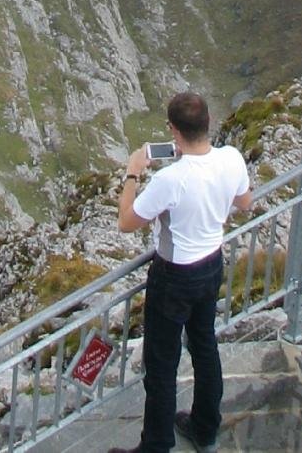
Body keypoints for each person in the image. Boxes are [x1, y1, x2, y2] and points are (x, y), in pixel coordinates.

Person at [110, 91, 252, 453]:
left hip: (174, 276)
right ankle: (205, 427)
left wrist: (132, 173)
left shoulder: (170, 180)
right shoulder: (231, 159)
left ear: (173, 131)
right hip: (211, 264)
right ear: (208, 123)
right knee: (205, 345)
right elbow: (245, 203)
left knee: (161, 365)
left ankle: (156, 446)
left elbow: (127, 221)